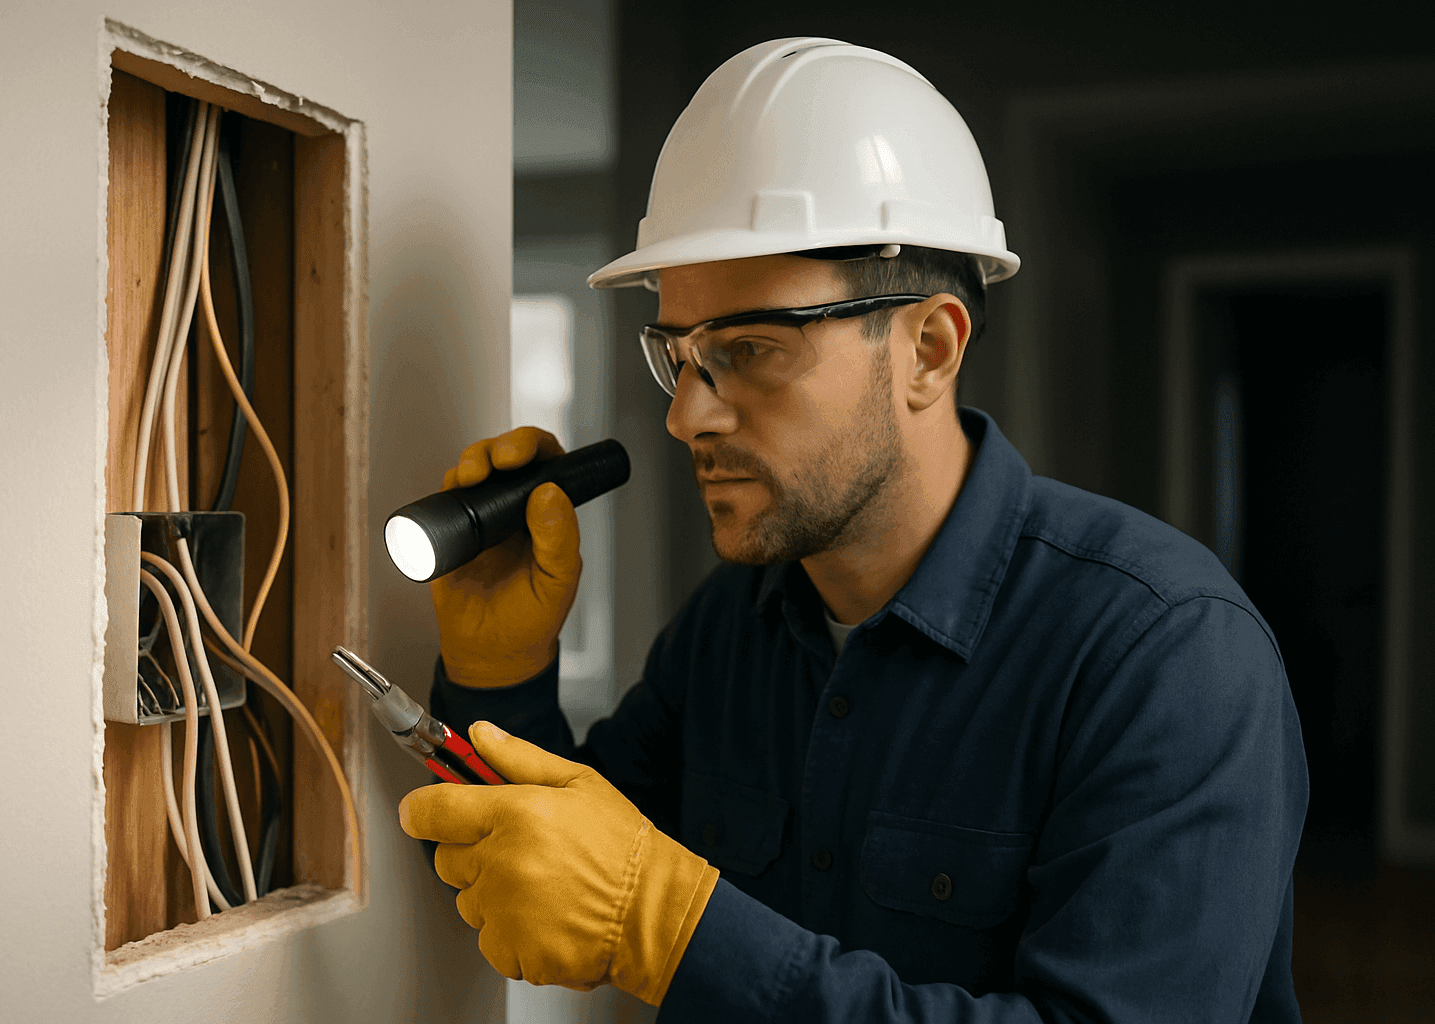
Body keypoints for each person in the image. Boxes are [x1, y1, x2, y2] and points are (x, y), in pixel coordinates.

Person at [400, 37, 1307, 1022]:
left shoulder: (1166, 655)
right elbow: (526, 865)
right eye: (680, 354)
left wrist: (672, 928)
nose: (686, 417)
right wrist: (500, 665)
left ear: (928, 347)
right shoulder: (729, 632)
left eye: (749, 349)